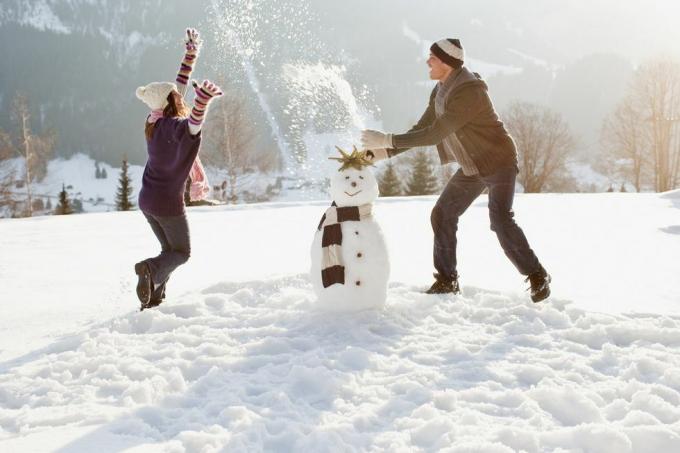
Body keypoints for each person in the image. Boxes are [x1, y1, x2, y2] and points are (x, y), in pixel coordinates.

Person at [360, 38, 551, 302]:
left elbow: (436, 133)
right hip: (472, 166)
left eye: (433, 58)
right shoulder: (439, 90)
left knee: (500, 219)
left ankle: (537, 275)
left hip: (498, 163)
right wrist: (386, 151)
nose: (427, 61)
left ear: (447, 63)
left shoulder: (469, 91)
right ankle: (447, 281)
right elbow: (421, 129)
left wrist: (388, 139)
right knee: (442, 214)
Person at [133, 28, 223, 310]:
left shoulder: (155, 122)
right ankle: (148, 269)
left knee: (168, 252)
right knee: (182, 253)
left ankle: (154, 298)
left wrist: (191, 54)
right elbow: (194, 125)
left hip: (146, 201)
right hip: (167, 205)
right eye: (176, 95)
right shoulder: (176, 129)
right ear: (174, 101)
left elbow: (179, 87)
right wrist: (203, 102)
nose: (178, 93)